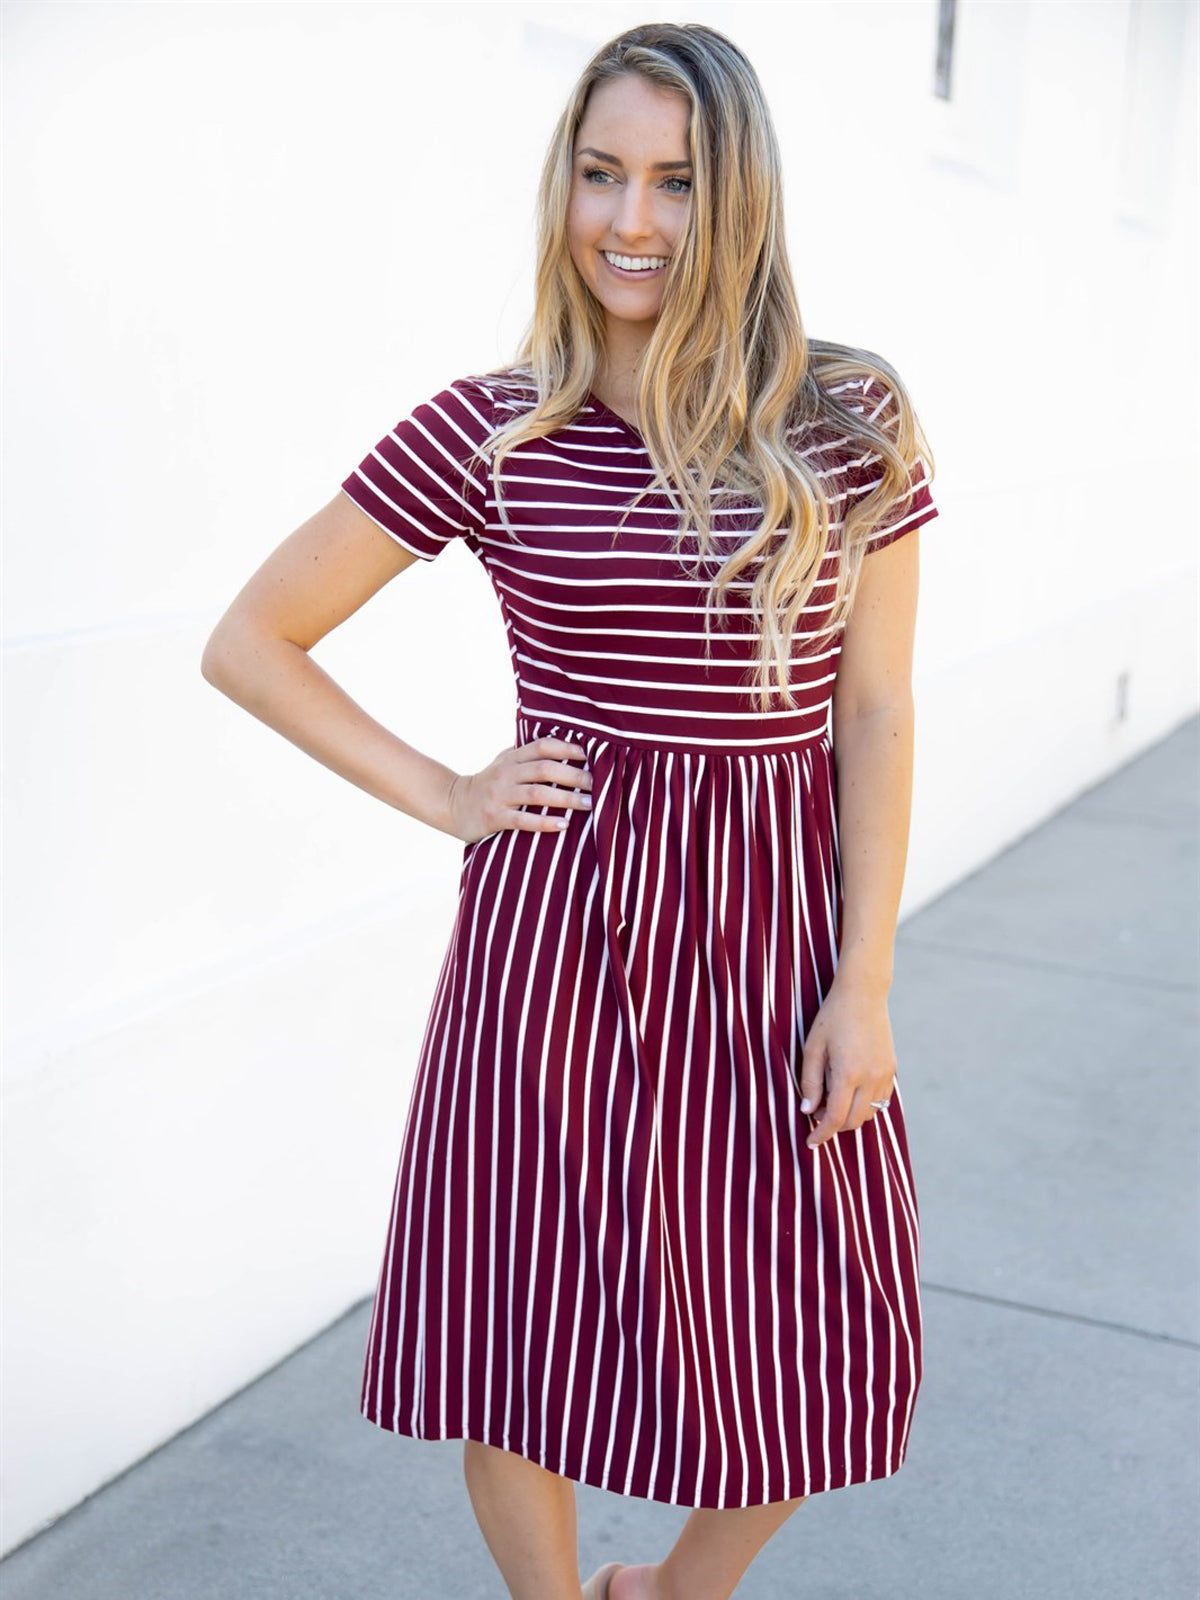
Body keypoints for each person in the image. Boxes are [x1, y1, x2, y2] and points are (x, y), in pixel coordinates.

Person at [201, 21, 940, 1600]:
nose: (631, 220)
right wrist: (453, 795)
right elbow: (252, 641)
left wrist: (863, 979)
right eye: (601, 174)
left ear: (738, 199)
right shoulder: (498, 424)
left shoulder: (851, 419)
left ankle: (678, 1591)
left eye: (676, 181)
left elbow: (873, 714)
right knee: (519, 1314)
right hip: (560, 941)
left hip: (769, 941)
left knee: (823, 1312)